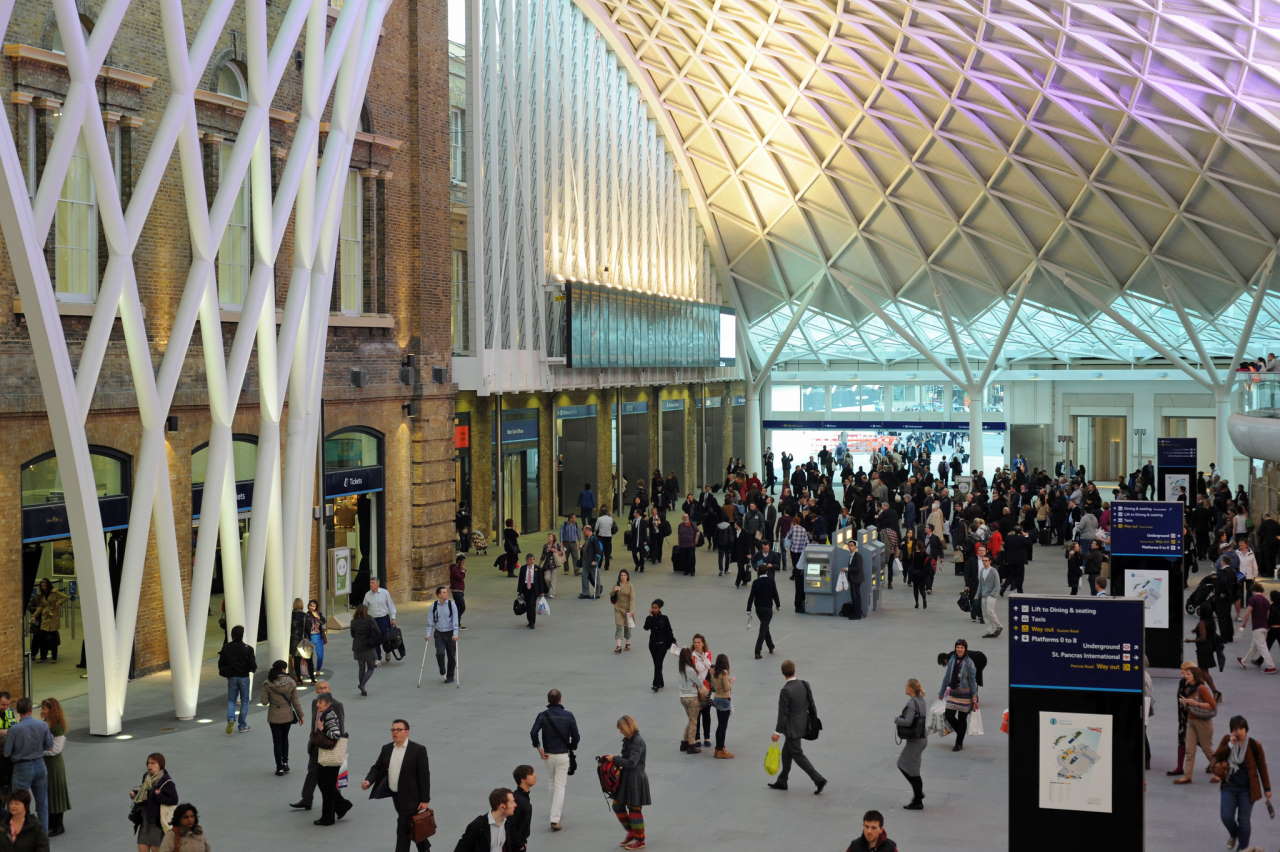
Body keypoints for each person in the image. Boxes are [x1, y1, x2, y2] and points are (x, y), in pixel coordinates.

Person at [361, 718, 431, 852]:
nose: (395, 732)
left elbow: (424, 776)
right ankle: (424, 848)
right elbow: (377, 767)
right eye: (393, 730)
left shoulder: (418, 750)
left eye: (399, 730)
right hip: (396, 795)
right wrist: (368, 781)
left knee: (403, 828)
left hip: (412, 797)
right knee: (413, 825)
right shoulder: (387, 749)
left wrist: (425, 799)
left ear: (407, 732)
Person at [1213, 715, 1271, 852]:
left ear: (1246, 729)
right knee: (1226, 816)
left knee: (1244, 822)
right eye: (1235, 729)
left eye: (1241, 728)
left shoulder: (1254, 745)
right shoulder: (1227, 741)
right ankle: (1234, 834)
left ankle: (1243, 848)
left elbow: (1262, 767)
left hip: (1247, 790)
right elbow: (1216, 757)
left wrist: (1267, 788)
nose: (1238, 731)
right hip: (1229, 786)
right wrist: (1229, 745)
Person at [768, 659, 826, 793]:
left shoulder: (785, 691)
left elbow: (782, 714)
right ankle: (782, 780)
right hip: (803, 725)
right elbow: (811, 704)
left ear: (783, 673)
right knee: (786, 753)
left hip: (792, 729)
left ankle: (818, 779)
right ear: (794, 670)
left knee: (798, 755)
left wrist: (777, 732)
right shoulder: (804, 684)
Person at [290, 681, 344, 811]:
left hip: (329, 745)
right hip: (316, 743)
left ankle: (339, 803)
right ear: (316, 691)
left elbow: (340, 727)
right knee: (312, 772)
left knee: (331, 776)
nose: (323, 690)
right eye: (320, 688)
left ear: (329, 689)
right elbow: (314, 723)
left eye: (325, 688)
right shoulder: (315, 703)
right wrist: (312, 739)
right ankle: (307, 799)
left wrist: (337, 745)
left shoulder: (337, 705)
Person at [530, 689, 579, 832]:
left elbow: (533, 732)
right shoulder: (568, 715)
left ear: (548, 700)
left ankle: (554, 812)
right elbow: (576, 736)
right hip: (563, 754)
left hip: (548, 755)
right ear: (560, 699)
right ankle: (555, 818)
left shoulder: (543, 715)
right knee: (560, 786)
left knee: (552, 782)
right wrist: (572, 746)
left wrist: (539, 748)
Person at [3, 699, 51, 834]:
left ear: (17, 711)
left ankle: (21, 835)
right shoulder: (42, 725)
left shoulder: (14, 729)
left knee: (19, 803)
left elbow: (7, 752)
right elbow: (49, 745)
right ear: (31, 710)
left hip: (22, 768)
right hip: (40, 765)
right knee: (42, 803)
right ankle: (43, 835)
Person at [603, 715, 650, 850]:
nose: (620, 732)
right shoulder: (628, 740)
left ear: (628, 727)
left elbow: (632, 762)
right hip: (627, 778)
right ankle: (632, 832)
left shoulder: (637, 741)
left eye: (621, 729)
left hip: (635, 780)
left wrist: (615, 759)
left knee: (635, 809)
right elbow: (625, 759)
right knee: (618, 805)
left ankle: (640, 840)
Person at [310, 695, 351, 826]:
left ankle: (328, 817)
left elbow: (335, 734)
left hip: (329, 756)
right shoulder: (326, 712)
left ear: (327, 703)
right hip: (327, 755)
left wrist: (322, 729)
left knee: (325, 785)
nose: (317, 705)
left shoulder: (329, 715)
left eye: (320, 702)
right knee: (326, 785)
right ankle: (341, 806)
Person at [1172, 665, 1217, 784]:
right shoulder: (1186, 686)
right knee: (1189, 750)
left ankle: (1220, 772)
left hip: (1203, 722)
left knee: (1207, 749)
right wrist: (1186, 703)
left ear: (1195, 676)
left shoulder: (1202, 688)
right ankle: (1187, 776)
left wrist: (1195, 703)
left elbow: (1213, 705)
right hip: (1190, 721)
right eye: (1185, 674)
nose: (1185, 676)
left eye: (1188, 674)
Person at [260, 659, 305, 776]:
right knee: (285, 739)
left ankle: (279, 767)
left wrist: (270, 698)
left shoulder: (267, 683)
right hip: (287, 715)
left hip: (274, 715)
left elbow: (264, 702)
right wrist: (301, 715)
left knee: (277, 741)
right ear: (284, 669)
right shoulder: (291, 682)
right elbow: (295, 701)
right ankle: (285, 763)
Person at [130, 753, 178, 851]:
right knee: (142, 848)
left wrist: (157, 795)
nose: (149, 766)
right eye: (148, 763)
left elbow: (174, 800)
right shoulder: (146, 777)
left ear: (160, 765)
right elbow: (146, 795)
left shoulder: (167, 782)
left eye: (153, 763)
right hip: (144, 822)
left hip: (157, 825)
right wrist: (136, 795)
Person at [938, 639, 978, 752]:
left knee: (962, 719)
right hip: (953, 692)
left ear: (965, 649)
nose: (959, 649)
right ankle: (960, 732)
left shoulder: (969, 662)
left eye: (962, 647)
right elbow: (947, 676)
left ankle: (958, 743)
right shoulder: (952, 659)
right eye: (958, 647)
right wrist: (941, 692)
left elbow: (973, 680)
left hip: (965, 695)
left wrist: (974, 696)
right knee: (948, 715)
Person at [894, 679, 928, 809]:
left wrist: (897, 720)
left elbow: (908, 722)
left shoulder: (912, 703)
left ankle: (918, 797)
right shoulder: (921, 700)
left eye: (906, 686)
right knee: (914, 769)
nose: (905, 688)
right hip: (922, 738)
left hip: (915, 741)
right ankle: (918, 797)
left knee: (902, 764)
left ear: (911, 689)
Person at [218, 624, 257, 735]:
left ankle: (231, 718)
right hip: (244, 677)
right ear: (242, 635)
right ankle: (242, 725)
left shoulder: (226, 647)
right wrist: (252, 669)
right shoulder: (248, 649)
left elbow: (222, 662)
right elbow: (253, 664)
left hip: (232, 677)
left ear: (232, 635)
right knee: (244, 701)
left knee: (231, 700)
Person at [37, 699, 68, 837]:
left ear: (52, 710)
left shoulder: (57, 727)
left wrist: (38, 751)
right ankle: (51, 823)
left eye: (44, 708)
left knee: (56, 793)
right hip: (46, 763)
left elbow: (56, 749)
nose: (42, 711)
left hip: (54, 765)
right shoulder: (44, 725)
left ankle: (58, 825)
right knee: (48, 793)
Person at [1236, 582, 1277, 673]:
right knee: (1254, 646)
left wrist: (1243, 624)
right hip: (1264, 627)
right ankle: (1243, 660)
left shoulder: (1253, 599)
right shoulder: (1266, 601)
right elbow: (1268, 615)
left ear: (1254, 590)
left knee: (1262, 647)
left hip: (1257, 627)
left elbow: (1248, 612)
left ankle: (1271, 666)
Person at [426, 585, 461, 683]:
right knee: (440, 653)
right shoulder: (433, 606)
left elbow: (455, 620)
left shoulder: (451, 604)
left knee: (451, 656)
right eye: (444, 592)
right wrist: (428, 634)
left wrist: (455, 633)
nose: (446, 594)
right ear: (438, 595)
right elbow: (430, 622)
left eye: (446, 592)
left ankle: (450, 676)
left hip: (450, 633)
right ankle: (442, 669)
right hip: (439, 633)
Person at [27, 580, 68, 663]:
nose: (43, 586)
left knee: (53, 638)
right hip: (44, 618)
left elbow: (66, 597)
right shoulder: (41, 595)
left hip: (53, 617)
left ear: (48, 585)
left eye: (45, 585)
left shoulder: (54, 592)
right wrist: (34, 615)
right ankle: (43, 657)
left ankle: (54, 657)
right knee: (42, 638)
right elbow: (40, 607)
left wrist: (58, 603)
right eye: (42, 585)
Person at [747, 565, 781, 659]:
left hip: (759, 609)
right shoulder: (771, 581)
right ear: (766, 572)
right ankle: (757, 651)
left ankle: (771, 646)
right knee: (763, 629)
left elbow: (751, 596)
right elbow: (775, 594)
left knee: (765, 627)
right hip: (768, 609)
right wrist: (778, 605)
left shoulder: (755, 582)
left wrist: (748, 608)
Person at [676, 649, 705, 754]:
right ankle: (691, 745)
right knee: (693, 721)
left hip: (683, 697)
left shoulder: (681, 669)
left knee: (690, 720)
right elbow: (699, 684)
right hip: (692, 698)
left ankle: (684, 741)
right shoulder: (690, 670)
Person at [643, 599, 676, 692]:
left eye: (655, 608)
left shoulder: (664, 618)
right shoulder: (650, 618)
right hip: (652, 645)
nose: (654, 609)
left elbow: (669, 630)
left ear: (659, 608)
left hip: (662, 645)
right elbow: (646, 627)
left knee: (658, 664)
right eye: (652, 608)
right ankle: (661, 682)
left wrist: (673, 641)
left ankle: (655, 684)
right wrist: (650, 616)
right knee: (657, 664)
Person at [362, 577, 398, 661]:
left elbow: (391, 605)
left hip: (383, 619)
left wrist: (393, 618)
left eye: (373, 583)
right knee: (375, 639)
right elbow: (364, 608)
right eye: (370, 583)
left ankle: (387, 651)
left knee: (386, 637)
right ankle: (377, 657)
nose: (371, 585)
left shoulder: (385, 593)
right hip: (373, 620)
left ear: (378, 584)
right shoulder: (367, 595)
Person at [350, 604, 380, 696]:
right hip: (368, 647)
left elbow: (352, 634)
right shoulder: (370, 619)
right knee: (371, 667)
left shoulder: (353, 621)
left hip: (357, 647)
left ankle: (362, 690)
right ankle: (362, 684)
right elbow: (377, 631)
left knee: (361, 668)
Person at [710, 654, 734, 759]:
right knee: (723, 726)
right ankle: (720, 750)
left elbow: (714, 687)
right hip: (724, 699)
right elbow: (727, 688)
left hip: (717, 699)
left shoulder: (714, 672)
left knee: (720, 725)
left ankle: (718, 749)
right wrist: (730, 681)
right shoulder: (724, 673)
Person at [508, 765, 536, 852]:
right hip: (515, 846)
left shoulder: (522, 797)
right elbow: (510, 825)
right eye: (531, 774)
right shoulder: (518, 800)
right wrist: (519, 845)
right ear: (523, 779)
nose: (535, 776)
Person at [516, 553, 547, 630]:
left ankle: (532, 622)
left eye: (532, 559)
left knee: (532, 605)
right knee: (527, 606)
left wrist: (542, 592)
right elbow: (520, 580)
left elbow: (541, 581)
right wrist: (519, 591)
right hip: (525, 588)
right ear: (526, 561)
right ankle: (529, 621)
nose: (531, 561)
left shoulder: (538, 569)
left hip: (534, 588)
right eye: (529, 560)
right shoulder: (523, 568)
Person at [976, 556, 1003, 638]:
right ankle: (990, 630)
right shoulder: (981, 571)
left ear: (990, 561)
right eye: (983, 561)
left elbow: (997, 585)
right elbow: (980, 584)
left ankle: (999, 626)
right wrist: (977, 595)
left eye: (986, 561)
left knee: (990, 611)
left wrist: (993, 594)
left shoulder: (994, 571)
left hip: (991, 596)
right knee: (985, 614)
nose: (984, 562)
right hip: (983, 595)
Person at [611, 570, 636, 652]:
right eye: (621, 575)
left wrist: (632, 610)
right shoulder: (616, 585)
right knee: (618, 627)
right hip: (618, 609)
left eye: (624, 575)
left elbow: (632, 599)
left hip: (628, 610)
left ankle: (628, 642)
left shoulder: (630, 586)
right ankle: (618, 646)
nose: (623, 577)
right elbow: (611, 596)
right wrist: (614, 591)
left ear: (627, 576)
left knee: (627, 627)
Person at [305, 599, 329, 676]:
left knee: (320, 656)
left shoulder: (318, 614)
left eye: (314, 606)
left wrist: (318, 617)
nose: (312, 607)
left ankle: (318, 669)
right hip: (310, 637)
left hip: (318, 636)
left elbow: (323, 622)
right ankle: (310, 671)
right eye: (311, 605)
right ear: (308, 606)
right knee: (309, 656)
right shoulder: (306, 615)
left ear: (316, 607)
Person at [448, 555, 467, 629]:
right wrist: (463, 571)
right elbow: (460, 578)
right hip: (456, 591)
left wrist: (462, 571)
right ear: (459, 561)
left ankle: (456, 623)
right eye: (463, 562)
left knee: (459, 607)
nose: (464, 563)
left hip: (459, 590)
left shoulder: (457, 568)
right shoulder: (455, 569)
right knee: (462, 607)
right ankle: (455, 622)